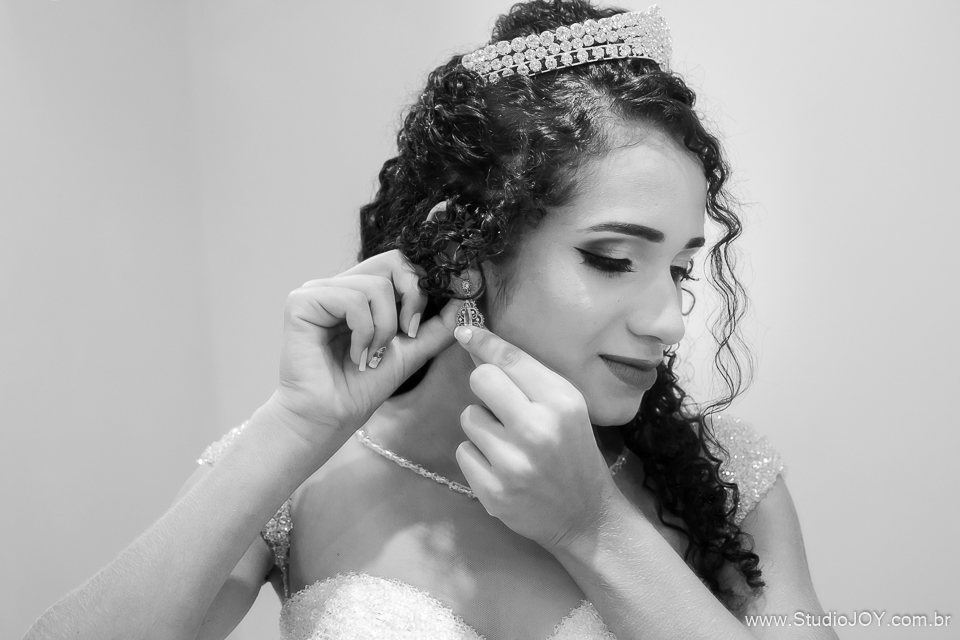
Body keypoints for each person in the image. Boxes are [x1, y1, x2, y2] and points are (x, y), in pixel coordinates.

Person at [25, 2, 837, 639]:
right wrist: (295, 426)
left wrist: (593, 526)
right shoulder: (298, 484)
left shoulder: (728, 483)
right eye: (613, 260)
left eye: (681, 269)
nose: (669, 323)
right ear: (467, 252)